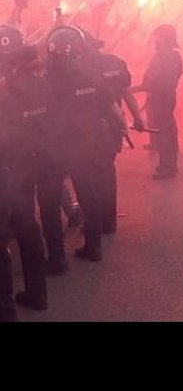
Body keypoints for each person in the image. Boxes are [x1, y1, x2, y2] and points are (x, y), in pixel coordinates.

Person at [44, 26, 125, 263]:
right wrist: (122, 126)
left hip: (54, 146)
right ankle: (93, 246)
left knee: (49, 200)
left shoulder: (46, 78)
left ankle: (56, 258)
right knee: (89, 194)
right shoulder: (91, 75)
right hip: (85, 144)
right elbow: (111, 105)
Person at [0, 24, 48, 319]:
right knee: (28, 227)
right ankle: (37, 293)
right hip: (27, 166)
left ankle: (5, 311)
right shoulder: (39, 84)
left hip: (5, 169)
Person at [81, 30, 145, 234]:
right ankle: (108, 221)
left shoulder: (81, 68)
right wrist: (137, 118)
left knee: (90, 176)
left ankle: (96, 222)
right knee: (107, 172)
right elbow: (127, 95)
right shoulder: (116, 63)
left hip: (90, 129)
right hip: (113, 128)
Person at [132, 24, 183, 180]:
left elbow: (157, 81)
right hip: (161, 96)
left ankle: (168, 167)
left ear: (165, 38)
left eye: (158, 37)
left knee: (164, 132)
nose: (156, 40)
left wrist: (134, 89)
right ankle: (169, 162)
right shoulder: (167, 55)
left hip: (162, 97)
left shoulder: (168, 56)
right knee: (165, 129)